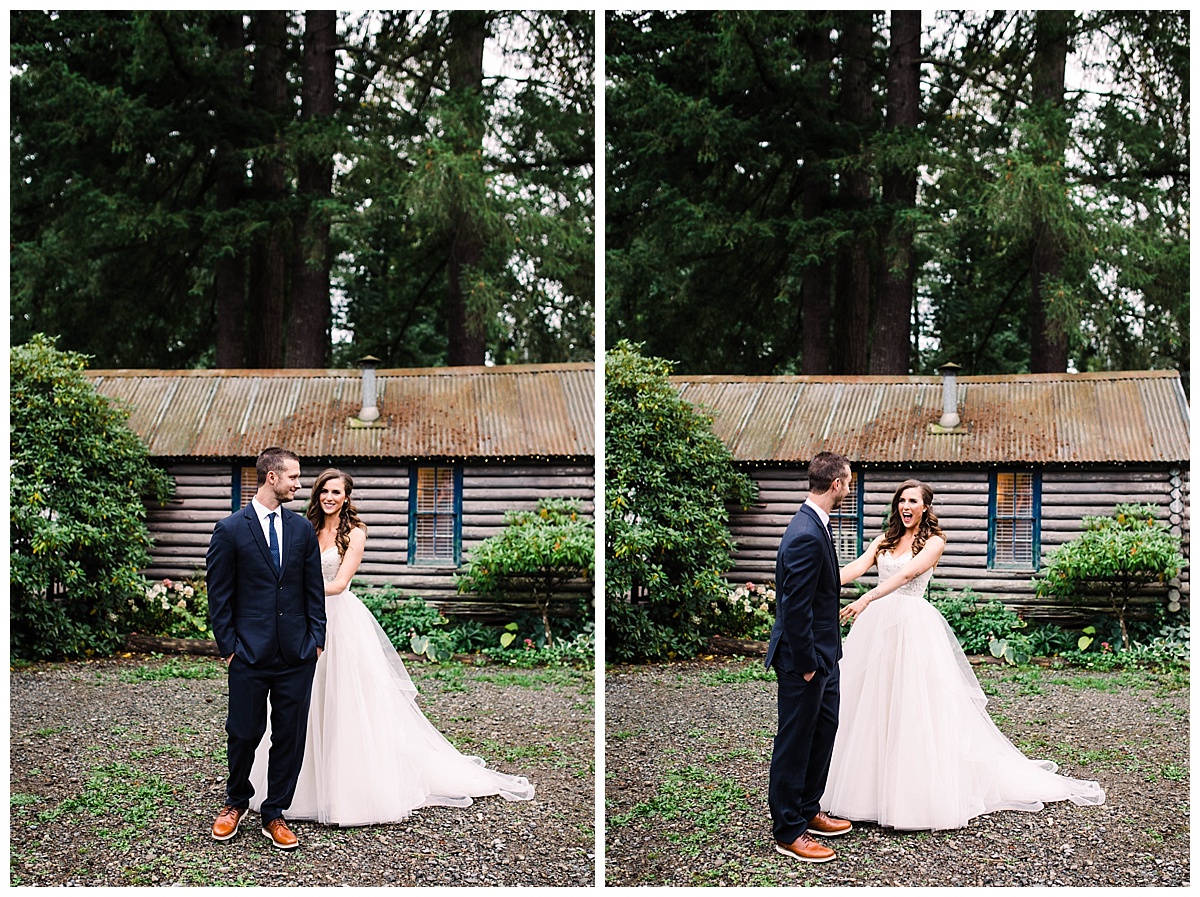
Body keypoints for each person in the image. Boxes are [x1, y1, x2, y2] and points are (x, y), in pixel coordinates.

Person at [247, 468, 534, 826]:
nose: (329, 497)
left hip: (338, 618)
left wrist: (292, 596)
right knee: (298, 702)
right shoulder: (304, 528)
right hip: (300, 621)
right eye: (324, 491)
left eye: (337, 491)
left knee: (343, 701)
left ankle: (344, 790)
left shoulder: (355, 533)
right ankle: (292, 783)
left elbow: (339, 583)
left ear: (347, 497)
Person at [826, 479, 1105, 830]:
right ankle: (866, 789)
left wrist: (867, 598)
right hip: (878, 629)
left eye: (913, 500)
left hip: (912, 624)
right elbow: (856, 567)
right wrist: (821, 581)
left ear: (925, 506)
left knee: (913, 706)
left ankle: (910, 796)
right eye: (901, 500)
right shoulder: (884, 539)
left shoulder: (935, 542)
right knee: (872, 704)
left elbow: (910, 573)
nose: (906, 506)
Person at [207, 447, 326, 850]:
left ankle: (275, 812)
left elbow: (313, 592)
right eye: (293, 477)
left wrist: (317, 641)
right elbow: (219, 596)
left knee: (289, 737)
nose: (299, 484)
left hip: (297, 654)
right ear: (271, 478)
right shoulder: (230, 529)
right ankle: (235, 802)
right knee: (242, 733)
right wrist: (229, 648)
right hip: (248, 655)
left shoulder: (301, 530)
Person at [765, 451, 855, 864]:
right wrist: (805, 665)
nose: (849, 487)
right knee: (796, 741)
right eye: (848, 481)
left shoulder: (817, 525)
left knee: (824, 731)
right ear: (836, 484)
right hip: (805, 660)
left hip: (824, 654)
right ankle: (788, 830)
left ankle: (808, 808)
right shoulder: (805, 532)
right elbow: (794, 606)